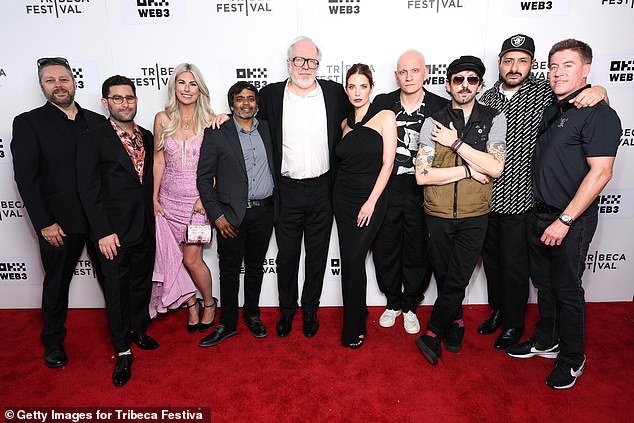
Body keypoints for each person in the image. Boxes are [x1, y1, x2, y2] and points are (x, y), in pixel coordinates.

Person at [478, 35, 609, 349]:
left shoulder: (545, 92)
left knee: (515, 269)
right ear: (499, 63)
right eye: (508, 60)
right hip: (485, 199)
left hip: (524, 200)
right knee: (492, 264)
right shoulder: (486, 99)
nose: (514, 67)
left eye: (522, 60)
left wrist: (599, 91)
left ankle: (513, 323)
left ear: (532, 64)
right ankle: (497, 310)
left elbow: (584, 102)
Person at [507, 39, 621, 390]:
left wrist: (566, 220)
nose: (558, 73)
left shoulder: (599, 112)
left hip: (569, 219)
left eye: (568, 66)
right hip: (539, 215)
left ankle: (573, 357)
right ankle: (546, 340)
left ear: (586, 69)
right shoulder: (554, 107)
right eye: (554, 66)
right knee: (544, 286)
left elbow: (601, 173)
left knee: (568, 290)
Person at [11, 57, 105, 369]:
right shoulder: (29, 122)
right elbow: (26, 178)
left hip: (100, 221)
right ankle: (52, 341)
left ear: (74, 82)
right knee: (56, 283)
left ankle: (126, 332)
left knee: (114, 280)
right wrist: (44, 223)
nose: (58, 85)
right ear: (42, 86)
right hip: (59, 224)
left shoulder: (96, 121)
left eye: (63, 79)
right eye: (51, 80)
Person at [414, 56, 507, 365]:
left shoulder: (494, 119)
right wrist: (468, 171)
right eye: (458, 79)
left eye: (471, 79)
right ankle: (456, 323)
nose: (465, 85)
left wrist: (455, 144)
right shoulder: (433, 121)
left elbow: (494, 167)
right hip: (437, 214)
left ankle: (432, 333)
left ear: (479, 84)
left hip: (474, 214)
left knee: (458, 278)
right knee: (444, 275)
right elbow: (422, 175)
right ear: (448, 84)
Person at [258, 36, 350, 338]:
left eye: (312, 61)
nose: (305, 66)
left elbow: (361, 112)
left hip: (323, 188)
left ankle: (311, 310)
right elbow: (245, 119)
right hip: (286, 190)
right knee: (286, 255)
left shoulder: (335, 93)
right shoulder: (270, 95)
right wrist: (222, 117)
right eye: (299, 60)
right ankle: (287, 311)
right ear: (289, 63)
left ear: (318, 64)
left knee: (317, 253)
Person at [77, 75, 157, 387]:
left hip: (144, 226)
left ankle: (138, 330)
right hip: (113, 233)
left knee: (140, 285)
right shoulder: (92, 137)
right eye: (118, 98)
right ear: (105, 102)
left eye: (130, 97)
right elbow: (88, 189)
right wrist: (102, 231)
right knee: (116, 291)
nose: (125, 103)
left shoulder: (147, 136)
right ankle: (123, 350)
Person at [368, 50, 448, 334]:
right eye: (403, 72)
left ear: (425, 72)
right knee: (385, 244)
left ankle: (411, 304)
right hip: (388, 185)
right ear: (396, 75)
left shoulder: (442, 105)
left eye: (414, 71)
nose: (409, 76)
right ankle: (392, 301)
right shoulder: (382, 102)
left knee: (417, 246)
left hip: (423, 187)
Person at [197, 82, 276, 347]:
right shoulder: (217, 132)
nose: (246, 103)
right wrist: (217, 216)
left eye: (251, 99)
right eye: (240, 99)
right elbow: (204, 179)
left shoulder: (267, 129)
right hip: (230, 216)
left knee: (255, 269)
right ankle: (227, 323)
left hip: (264, 212)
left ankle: (252, 315)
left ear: (257, 103)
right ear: (231, 104)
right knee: (229, 271)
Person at [150, 63, 217, 333]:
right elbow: (157, 161)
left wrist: (206, 197)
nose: (187, 89)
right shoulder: (162, 119)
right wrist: (153, 198)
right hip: (167, 201)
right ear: (174, 87)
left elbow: (217, 165)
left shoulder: (210, 120)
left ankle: (209, 303)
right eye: (182, 83)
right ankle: (191, 303)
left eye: (192, 84)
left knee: (191, 259)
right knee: (171, 258)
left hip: (197, 203)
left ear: (199, 88)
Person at [334, 64, 397, 348]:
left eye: (362, 86)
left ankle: (353, 327)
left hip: (371, 197)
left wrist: (371, 201)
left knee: (353, 258)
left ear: (371, 87)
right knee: (351, 259)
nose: (357, 92)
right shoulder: (344, 123)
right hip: (342, 197)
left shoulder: (385, 116)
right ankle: (357, 312)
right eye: (351, 86)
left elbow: (388, 164)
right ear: (346, 89)